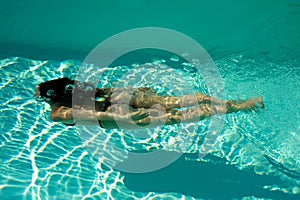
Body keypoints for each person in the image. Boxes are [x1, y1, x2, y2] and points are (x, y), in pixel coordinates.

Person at [35, 77, 264, 129]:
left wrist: (123, 117)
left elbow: (94, 116)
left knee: (178, 115)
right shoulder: (78, 90)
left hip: (113, 114)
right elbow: (105, 91)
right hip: (115, 100)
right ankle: (244, 102)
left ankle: (244, 106)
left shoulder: (57, 112)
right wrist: (134, 93)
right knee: (178, 102)